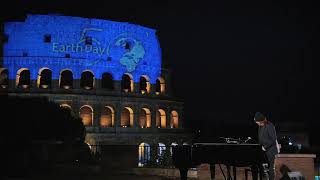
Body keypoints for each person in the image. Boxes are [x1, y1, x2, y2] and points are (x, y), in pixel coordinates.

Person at [254, 112, 279, 180]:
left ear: (261, 120)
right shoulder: (260, 127)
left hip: (271, 150)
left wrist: (265, 146)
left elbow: (273, 139)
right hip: (263, 151)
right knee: (263, 168)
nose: (256, 123)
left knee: (271, 168)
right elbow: (261, 138)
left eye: (257, 121)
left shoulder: (270, 125)